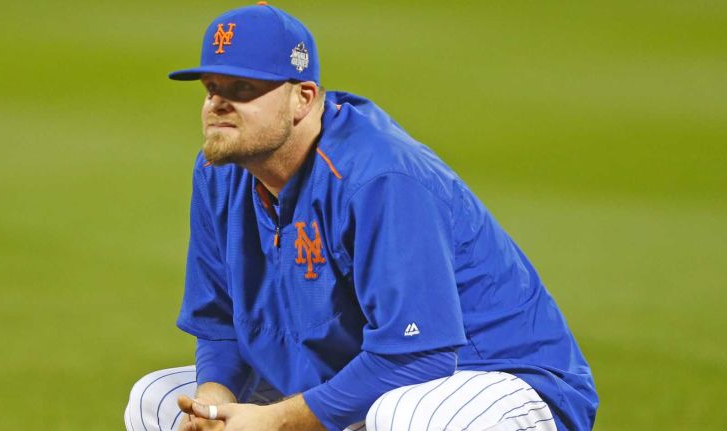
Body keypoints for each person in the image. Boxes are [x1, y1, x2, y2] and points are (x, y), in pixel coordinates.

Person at [125, 3, 598, 431]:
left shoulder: (378, 175)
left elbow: (418, 357)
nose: (217, 104)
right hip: (360, 382)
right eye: (211, 88)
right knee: (159, 403)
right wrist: (211, 404)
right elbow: (219, 323)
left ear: (303, 98)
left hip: (495, 383)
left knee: (407, 417)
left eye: (243, 88)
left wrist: (277, 421)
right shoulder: (218, 171)